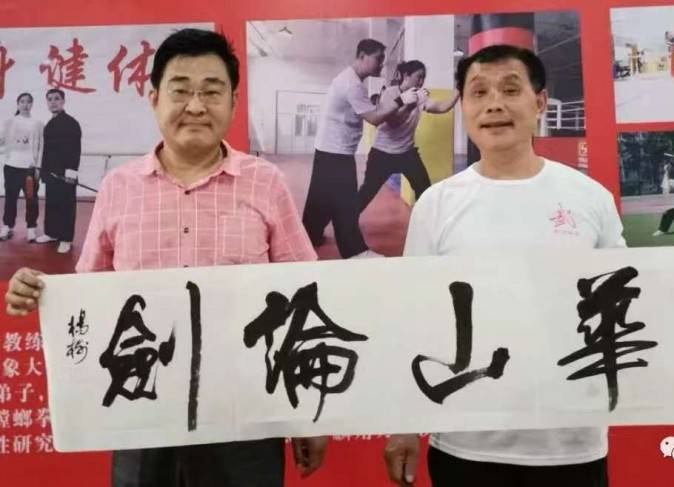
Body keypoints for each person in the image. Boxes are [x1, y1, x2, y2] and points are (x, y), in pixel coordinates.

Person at [383, 44, 674, 487]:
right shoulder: (437, 204)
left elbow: (630, 297)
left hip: (572, 442)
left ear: (540, 102)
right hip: (465, 442)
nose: (494, 104)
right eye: (479, 92)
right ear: (464, 107)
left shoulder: (588, 197)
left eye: (511, 89)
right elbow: (416, 316)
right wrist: (403, 425)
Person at [5, 28, 327, 487]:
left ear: (233, 102)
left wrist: (310, 414)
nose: (196, 106)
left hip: (245, 414)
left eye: (211, 91)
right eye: (180, 90)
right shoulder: (118, 187)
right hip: (140, 410)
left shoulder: (266, 183)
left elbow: (306, 296)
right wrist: (39, 293)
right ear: (155, 98)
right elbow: (87, 295)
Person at [302, 39, 418, 258]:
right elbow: (374, 118)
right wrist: (401, 100)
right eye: (378, 59)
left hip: (327, 149)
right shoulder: (353, 85)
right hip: (337, 152)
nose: (381, 64)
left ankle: (309, 235)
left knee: (320, 198)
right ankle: (355, 251)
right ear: (363, 56)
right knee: (345, 204)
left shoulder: (347, 79)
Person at [358, 60, 460, 212]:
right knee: (367, 193)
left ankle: (423, 220)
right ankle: (347, 220)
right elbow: (392, 121)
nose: (421, 81)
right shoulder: (390, 93)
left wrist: (458, 89)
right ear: (406, 75)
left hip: (407, 153)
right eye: (419, 76)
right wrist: (409, 106)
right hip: (382, 154)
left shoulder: (419, 97)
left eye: (423, 78)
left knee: (425, 191)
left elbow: (442, 107)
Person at [34, 88, 82, 253]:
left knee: (66, 206)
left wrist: (71, 172)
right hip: (51, 172)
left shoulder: (71, 123)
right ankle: (52, 233)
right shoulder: (49, 124)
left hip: (65, 173)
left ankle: (66, 239)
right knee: (52, 203)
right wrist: (43, 171)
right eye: (50, 99)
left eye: (56, 98)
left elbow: (75, 149)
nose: (53, 102)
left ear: (63, 101)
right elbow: (47, 151)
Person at [0, 93, 44, 242]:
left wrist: (38, 167)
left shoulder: (38, 123)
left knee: (31, 199)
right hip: (11, 166)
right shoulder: (9, 122)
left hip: (29, 168)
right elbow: (1, 139)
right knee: (10, 198)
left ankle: (31, 228)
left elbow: (41, 147)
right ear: (18, 103)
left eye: (28, 102)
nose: (25, 104)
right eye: (22, 101)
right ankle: (8, 226)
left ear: (32, 104)